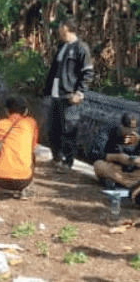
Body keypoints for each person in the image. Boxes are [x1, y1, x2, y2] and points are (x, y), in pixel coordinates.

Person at [43, 18, 94, 173]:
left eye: (60, 27)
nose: (58, 30)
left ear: (66, 28)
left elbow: (88, 72)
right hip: (56, 94)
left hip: (69, 96)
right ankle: (56, 158)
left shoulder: (81, 48)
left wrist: (79, 93)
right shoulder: (61, 46)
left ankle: (67, 161)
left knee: (69, 129)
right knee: (54, 128)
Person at [0, 96, 38, 199]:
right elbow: (32, 147)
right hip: (24, 180)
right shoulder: (31, 124)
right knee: (31, 156)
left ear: (6, 111)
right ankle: (24, 190)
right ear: (25, 111)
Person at [90, 112, 140, 191]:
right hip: (113, 168)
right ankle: (128, 183)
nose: (131, 132)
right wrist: (116, 157)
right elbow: (93, 153)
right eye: (128, 129)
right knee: (98, 165)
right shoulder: (108, 130)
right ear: (121, 126)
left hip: (132, 170)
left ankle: (120, 182)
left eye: (134, 129)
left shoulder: (137, 137)